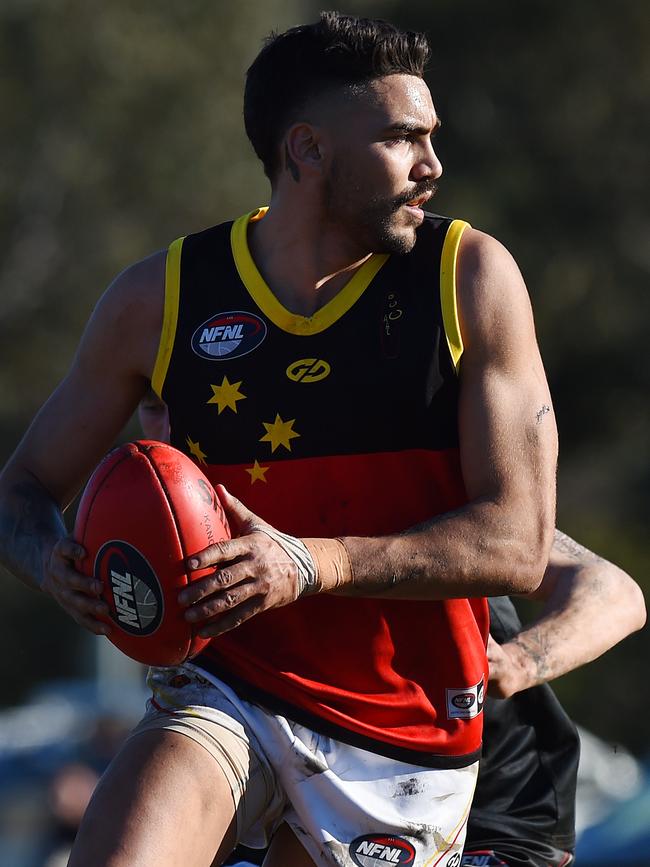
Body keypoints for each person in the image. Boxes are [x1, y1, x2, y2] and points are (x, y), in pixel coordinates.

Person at [0, 12, 560, 867]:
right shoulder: (164, 297)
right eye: (403, 138)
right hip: (229, 689)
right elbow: (20, 491)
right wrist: (52, 563)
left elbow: (517, 543)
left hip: (401, 735)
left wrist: (311, 562)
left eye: (431, 139)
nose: (433, 167)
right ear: (307, 150)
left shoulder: (469, 277)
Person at [136, 395, 646, 867]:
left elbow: (615, 592)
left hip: (497, 804)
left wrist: (519, 661)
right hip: (328, 771)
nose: (165, 421)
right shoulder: (210, 515)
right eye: (151, 404)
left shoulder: (419, 499)